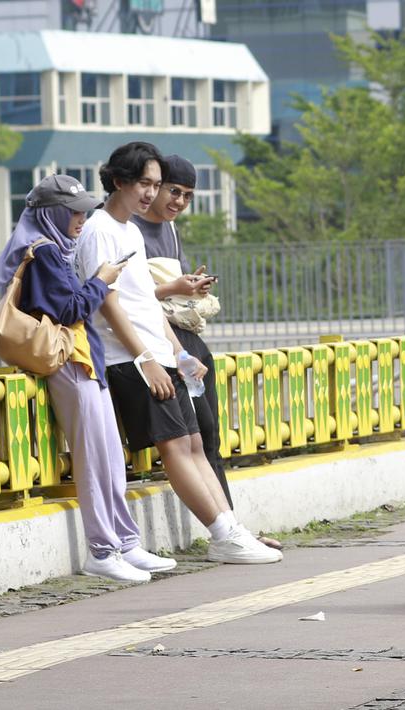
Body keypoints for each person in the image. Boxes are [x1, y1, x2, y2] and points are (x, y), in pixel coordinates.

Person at [75, 142, 281, 565]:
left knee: (191, 442)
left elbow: (144, 303)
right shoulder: (98, 229)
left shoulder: (130, 229)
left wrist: (175, 351)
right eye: (143, 184)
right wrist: (145, 360)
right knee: (174, 447)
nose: (151, 193)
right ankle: (222, 534)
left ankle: (230, 528)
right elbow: (108, 303)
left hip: (160, 354)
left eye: (155, 184)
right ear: (119, 181)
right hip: (128, 360)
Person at [0, 175, 176, 582]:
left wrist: (98, 281)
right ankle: (103, 550)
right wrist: (101, 280)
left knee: (108, 458)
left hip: (86, 363)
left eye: (84, 210)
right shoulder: (46, 253)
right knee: (93, 459)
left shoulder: (59, 250)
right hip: (71, 364)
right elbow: (69, 310)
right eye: (74, 212)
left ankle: (125, 542)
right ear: (53, 213)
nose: (82, 218)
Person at [132, 155, 281, 550]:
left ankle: (234, 527)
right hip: (154, 346)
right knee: (186, 440)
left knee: (209, 435)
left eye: (187, 195)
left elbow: (164, 290)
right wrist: (172, 290)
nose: (178, 201)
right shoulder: (125, 228)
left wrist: (190, 287)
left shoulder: (170, 228)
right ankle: (225, 533)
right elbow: (123, 299)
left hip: (185, 339)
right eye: (172, 191)